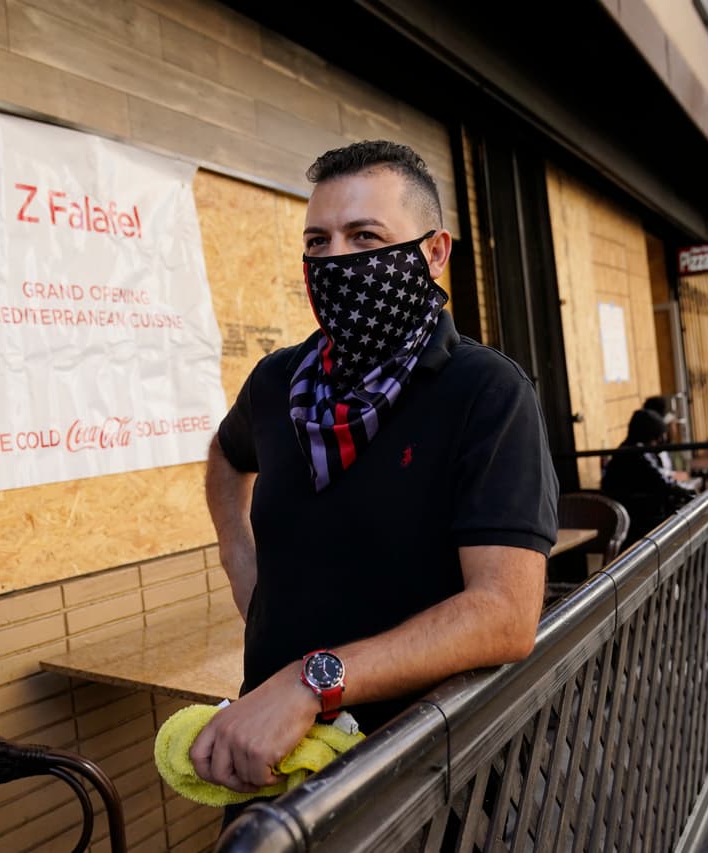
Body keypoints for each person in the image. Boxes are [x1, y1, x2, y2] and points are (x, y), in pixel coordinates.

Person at [192, 140, 559, 807]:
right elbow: (226, 455)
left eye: (365, 235)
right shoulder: (278, 382)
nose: (336, 260)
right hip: (274, 763)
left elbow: (504, 614)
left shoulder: (486, 392)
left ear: (435, 252)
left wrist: (312, 681)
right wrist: (238, 557)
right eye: (318, 241)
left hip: (422, 772)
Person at [601, 407, 697, 547]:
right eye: (657, 437)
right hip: (641, 524)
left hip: (630, 522)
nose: (659, 442)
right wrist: (688, 492)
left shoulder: (625, 451)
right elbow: (662, 482)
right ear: (650, 436)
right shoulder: (637, 453)